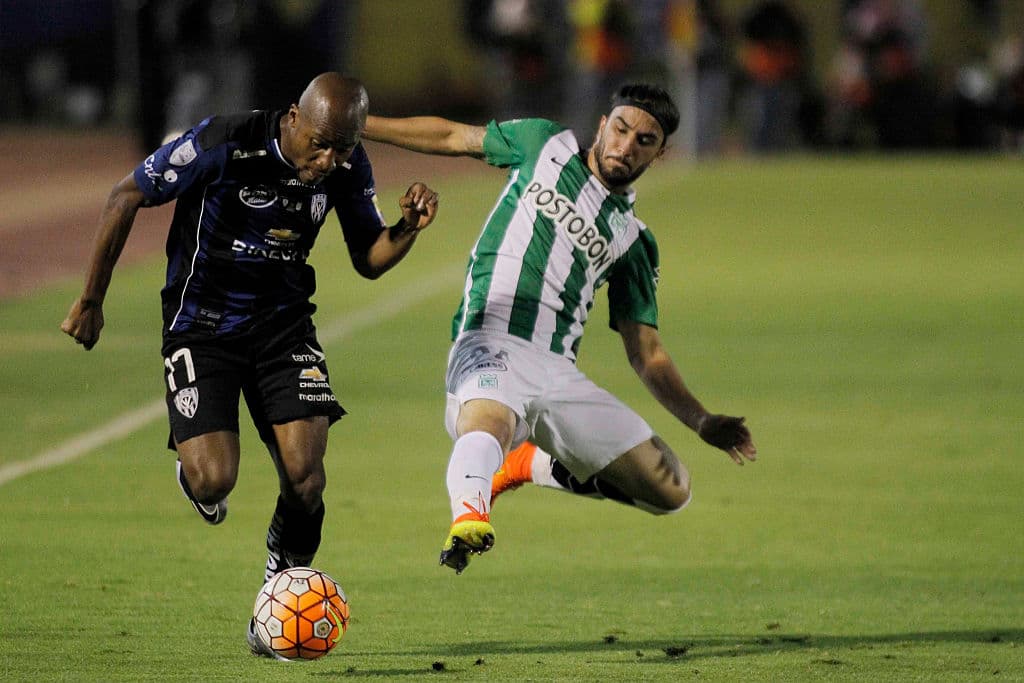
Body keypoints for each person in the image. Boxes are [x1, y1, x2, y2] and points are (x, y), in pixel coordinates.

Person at [60, 73, 439, 655]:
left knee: (307, 477)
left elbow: (368, 257)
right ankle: (196, 479)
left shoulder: (345, 165)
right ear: (294, 117)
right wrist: (91, 300)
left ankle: (275, 598)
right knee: (214, 478)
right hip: (201, 326)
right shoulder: (223, 141)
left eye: (343, 148)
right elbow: (125, 196)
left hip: (283, 328)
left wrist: (407, 228)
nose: (329, 160)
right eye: (320, 144)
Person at [363, 83, 756, 575]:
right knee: (488, 422)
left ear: (659, 154)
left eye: (644, 141)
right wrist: (360, 125)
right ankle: (469, 517)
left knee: (671, 488)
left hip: (555, 371)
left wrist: (700, 420)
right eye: (621, 129)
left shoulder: (634, 241)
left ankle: (528, 464)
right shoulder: (544, 144)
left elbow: (647, 352)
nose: (626, 146)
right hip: (490, 337)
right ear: (603, 125)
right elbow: (452, 136)